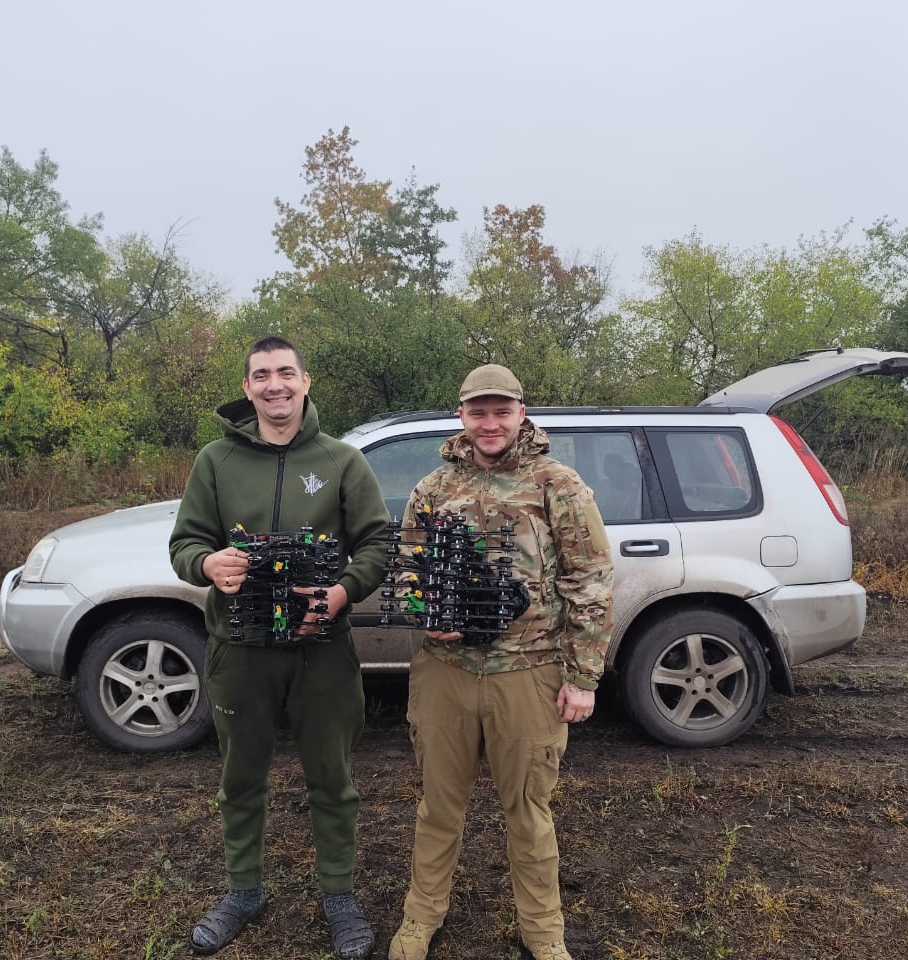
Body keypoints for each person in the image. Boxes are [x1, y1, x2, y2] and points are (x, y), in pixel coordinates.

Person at [168, 336, 391, 959]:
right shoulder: (215, 461)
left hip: (323, 649)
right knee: (241, 775)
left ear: (306, 380)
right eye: (262, 375)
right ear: (247, 388)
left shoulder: (343, 461)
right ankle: (244, 890)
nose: (275, 386)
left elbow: (375, 544)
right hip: (239, 648)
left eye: (286, 373)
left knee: (333, 777)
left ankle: (339, 896)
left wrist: (343, 593)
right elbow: (184, 545)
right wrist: (209, 563)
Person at [387, 364, 614, 960]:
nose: (490, 424)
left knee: (529, 812)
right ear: (461, 415)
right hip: (445, 672)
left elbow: (589, 581)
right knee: (438, 807)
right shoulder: (433, 489)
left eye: (501, 412)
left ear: (520, 414)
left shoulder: (557, 484)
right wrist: (421, 609)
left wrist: (583, 677)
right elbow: (408, 569)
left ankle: (544, 933)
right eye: (478, 412)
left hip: (529, 672)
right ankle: (420, 919)